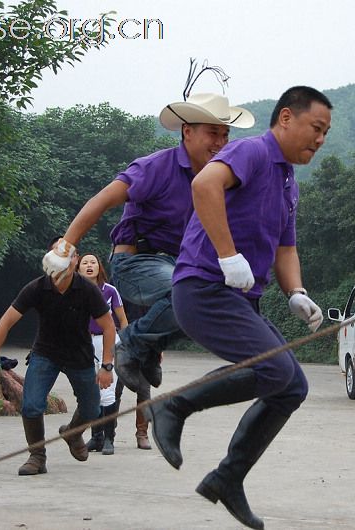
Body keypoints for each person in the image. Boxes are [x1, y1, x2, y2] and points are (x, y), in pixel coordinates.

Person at [145, 86, 332, 529]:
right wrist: (227, 254)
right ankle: (172, 407)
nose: (321, 139)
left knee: (292, 387)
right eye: (316, 128)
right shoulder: (252, 153)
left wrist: (296, 293)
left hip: (239, 299)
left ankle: (227, 478)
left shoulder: (288, 181)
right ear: (286, 118)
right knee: (274, 371)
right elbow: (204, 183)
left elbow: (286, 247)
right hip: (204, 288)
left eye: (326, 133)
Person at [41, 92, 254, 394]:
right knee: (186, 291)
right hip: (135, 262)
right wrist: (66, 246)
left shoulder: (218, 178)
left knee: (210, 299)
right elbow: (102, 200)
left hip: (177, 263)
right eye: (212, 133)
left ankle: (150, 348)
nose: (220, 142)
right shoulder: (155, 167)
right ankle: (131, 345)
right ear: (187, 131)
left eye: (225, 134)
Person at [0, 240, 115, 475]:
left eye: (70, 256)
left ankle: (72, 433)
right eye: (58, 255)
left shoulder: (88, 290)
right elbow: (6, 322)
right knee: (31, 405)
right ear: (50, 260)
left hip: (79, 355)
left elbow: (109, 327)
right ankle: (37, 456)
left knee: (91, 410)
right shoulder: (37, 288)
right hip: (45, 353)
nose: (65, 261)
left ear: (76, 260)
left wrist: (107, 365)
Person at [78, 253, 128, 455]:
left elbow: (122, 319)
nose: (89, 266)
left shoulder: (110, 291)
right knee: (92, 391)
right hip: (84, 342)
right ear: (78, 268)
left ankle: (109, 437)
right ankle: (95, 437)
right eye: (85, 263)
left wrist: (124, 342)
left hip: (107, 342)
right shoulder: (75, 291)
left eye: (93, 263)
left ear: (99, 267)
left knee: (109, 391)